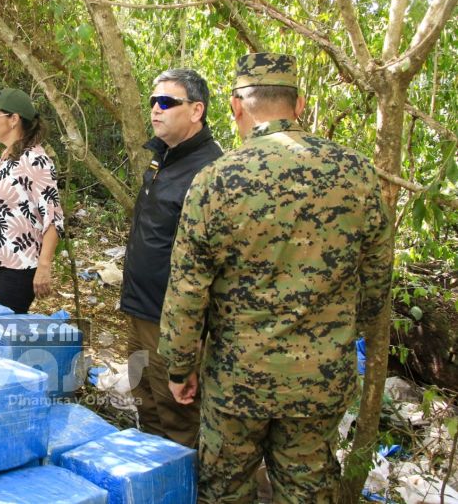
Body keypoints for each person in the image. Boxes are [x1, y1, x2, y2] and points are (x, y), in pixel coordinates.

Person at [159, 53, 393, 502]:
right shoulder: (357, 174)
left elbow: (188, 290)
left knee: (225, 490)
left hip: (236, 380)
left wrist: (180, 365)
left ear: (235, 107)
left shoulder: (215, 181)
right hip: (319, 380)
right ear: (300, 105)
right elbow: (377, 281)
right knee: (308, 489)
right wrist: (341, 335)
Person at [120, 68, 223, 448]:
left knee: (177, 420)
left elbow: (211, 264)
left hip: (174, 324)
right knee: (146, 407)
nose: (155, 109)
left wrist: (191, 338)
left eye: (166, 102)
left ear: (196, 111)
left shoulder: (210, 172)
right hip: (140, 311)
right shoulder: (162, 158)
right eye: (152, 102)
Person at [0, 88, 64, 314]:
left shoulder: (35, 160)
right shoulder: (6, 156)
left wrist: (44, 266)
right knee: (1, 329)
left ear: (13, 119)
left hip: (21, 265)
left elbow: (53, 218)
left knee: (1, 328)